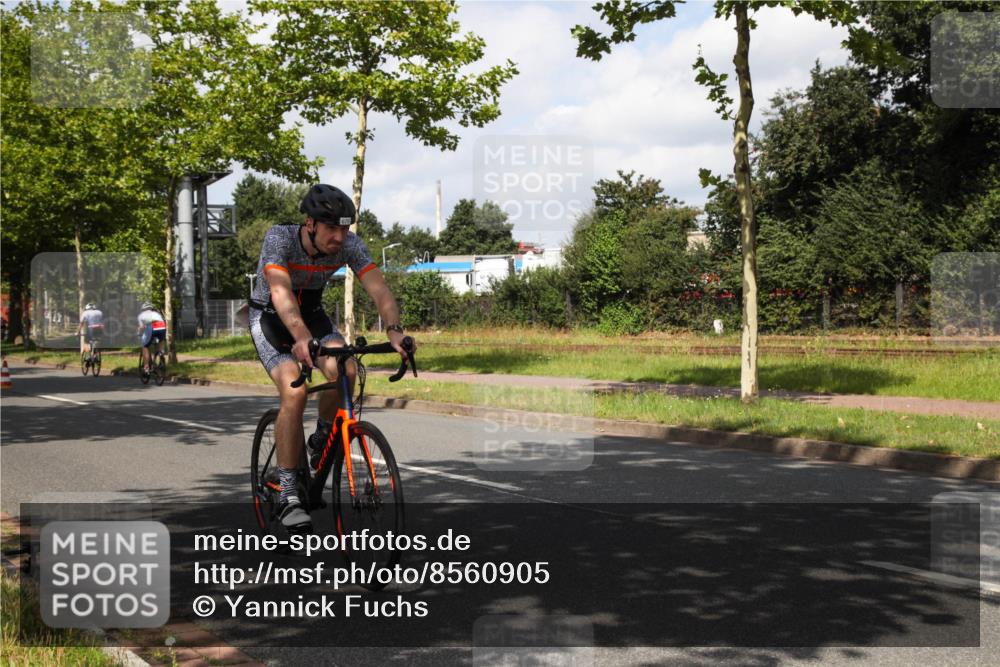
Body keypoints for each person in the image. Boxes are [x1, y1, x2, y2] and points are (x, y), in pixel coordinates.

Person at [249, 183, 414, 533]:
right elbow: (279, 291)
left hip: (312, 312)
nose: (339, 237)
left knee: (346, 367)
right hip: (271, 316)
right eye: (331, 228)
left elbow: (379, 288)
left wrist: (395, 331)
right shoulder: (279, 239)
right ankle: (288, 491)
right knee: (293, 391)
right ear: (310, 224)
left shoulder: (349, 245)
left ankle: (323, 436)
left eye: (344, 228)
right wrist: (301, 337)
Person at [137, 302, 167, 373]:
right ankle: (161, 353)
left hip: (152, 327)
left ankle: (146, 367)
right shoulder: (157, 314)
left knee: (145, 346)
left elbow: (142, 327)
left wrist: (138, 334)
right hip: (162, 326)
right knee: (161, 340)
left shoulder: (141, 315)